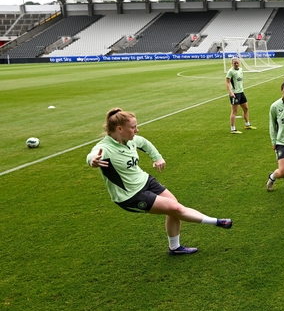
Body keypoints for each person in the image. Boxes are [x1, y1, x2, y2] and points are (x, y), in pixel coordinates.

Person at [87, 108, 232, 255]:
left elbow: (144, 143)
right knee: (176, 209)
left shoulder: (129, 140)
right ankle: (217, 221)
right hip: (130, 195)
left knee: (174, 209)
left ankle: (174, 248)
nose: (137, 130)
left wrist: (157, 157)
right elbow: (92, 155)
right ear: (119, 128)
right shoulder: (104, 148)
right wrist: (93, 161)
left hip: (146, 181)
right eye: (133, 127)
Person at [226, 57, 255, 134]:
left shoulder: (241, 70)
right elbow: (227, 83)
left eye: (237, 63)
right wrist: (230, 92)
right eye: (234, 63)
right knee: (234, 111)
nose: (236, 64)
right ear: (232, 64)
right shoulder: (230, 72)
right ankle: (233, 129)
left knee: (246, 108)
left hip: (241, 92)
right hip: (235, 94)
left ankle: (247, 124)